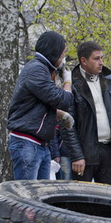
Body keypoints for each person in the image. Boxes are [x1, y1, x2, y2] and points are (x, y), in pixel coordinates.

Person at [7, 31, 74, 180]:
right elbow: (63, 100)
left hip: (41, 145)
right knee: (27, 197)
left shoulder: (44, 70)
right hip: (27, 142)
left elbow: (38, 104)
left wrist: (61, 115)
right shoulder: (36, 69)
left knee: (41, 195)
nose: (63, 59)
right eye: (62, 54)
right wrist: (68, 82)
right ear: (54, 51)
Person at [61, 41, 111, 185]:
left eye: (102, 58)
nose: (101, 62)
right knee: (82, 201)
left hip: (110, 150)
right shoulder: (72, 84)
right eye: (96, 58)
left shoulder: (109, 80)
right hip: (85, 151)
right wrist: (77, 155)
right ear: (83, 61)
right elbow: (67, 124)